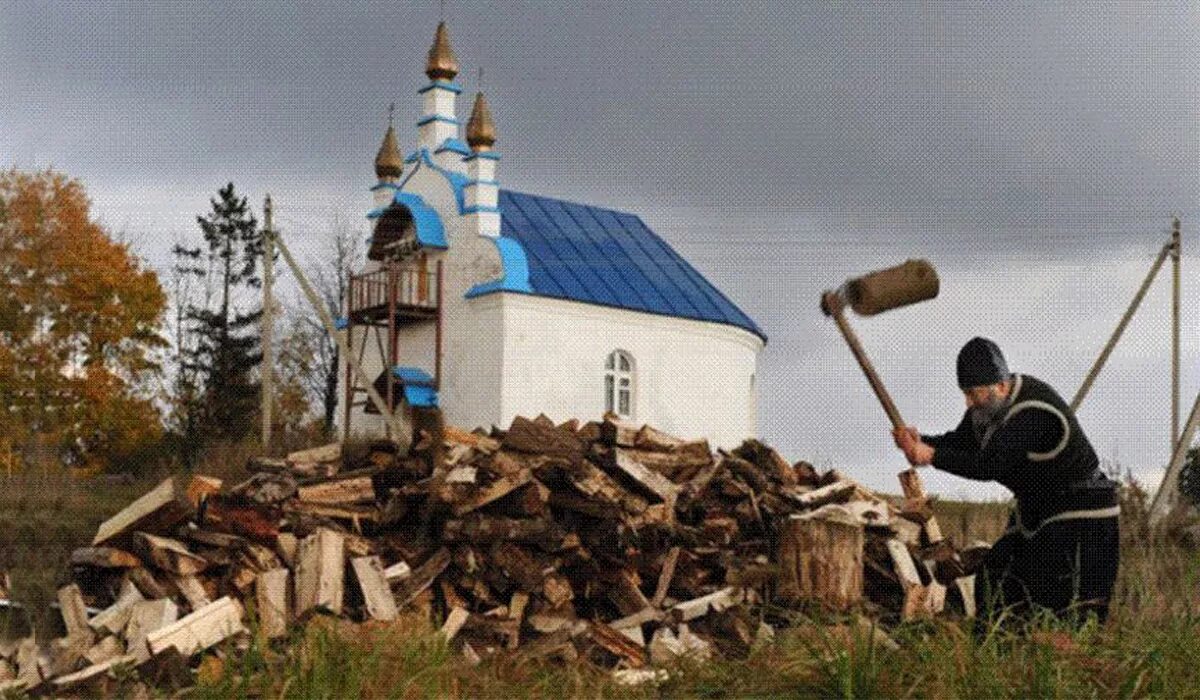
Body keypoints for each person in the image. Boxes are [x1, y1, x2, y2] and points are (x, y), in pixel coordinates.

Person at [892, 337, 1120, 623]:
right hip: (1040, 512)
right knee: (995, 578)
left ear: (1000, 386)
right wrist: (919, 442)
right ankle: (993, 653)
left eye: (973, 394)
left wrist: (930, 456)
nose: (968, 401)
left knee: (1068, 610)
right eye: (965, 393)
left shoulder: (1032, 411)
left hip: (1081, 517)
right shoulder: (984, 409)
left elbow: (988, 465)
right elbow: (961, 444)